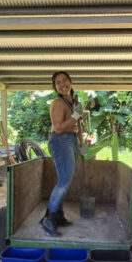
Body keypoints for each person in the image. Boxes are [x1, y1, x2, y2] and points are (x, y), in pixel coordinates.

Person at [40, 71, 82, 237]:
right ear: (55, 87)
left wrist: (81, 143)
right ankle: (48, 219)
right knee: (64, 181)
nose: (62, 84)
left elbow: (75, 125)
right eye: (58, 82)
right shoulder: (58, 103)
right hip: (60, 140)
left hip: (70, 140)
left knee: (66, 181)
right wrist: (76, 115)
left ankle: (57, 215)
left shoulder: (71, 101)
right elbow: (58, 128)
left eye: (65, 80)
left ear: (70, 82)